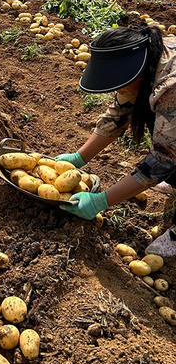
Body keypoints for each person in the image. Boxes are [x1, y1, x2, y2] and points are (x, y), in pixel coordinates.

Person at [57, 26, 176, 256]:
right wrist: (78, 158)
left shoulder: (171, 87)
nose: (118, 90)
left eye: (120, 83)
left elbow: (163, 159)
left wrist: (100, 202)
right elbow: (118, 114)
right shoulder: (148, 55)